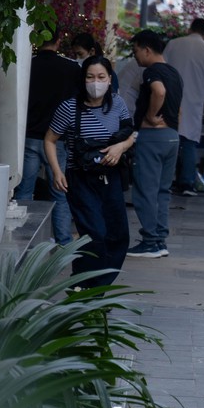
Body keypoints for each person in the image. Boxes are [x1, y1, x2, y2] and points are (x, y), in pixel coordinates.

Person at [43, 56, 138, 286]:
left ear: (109, 79)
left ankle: (95, 290)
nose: (96, 82)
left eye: (101, 77)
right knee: (94, 234)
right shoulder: (69, 107)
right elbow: (50, 139)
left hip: (111, 179)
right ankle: (82, 285)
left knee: (118, 237)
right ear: (82, 79)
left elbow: (131, 134)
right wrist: (57, 171)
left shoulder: (118, 104)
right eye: (90, 77)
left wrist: (120, 147)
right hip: (81, 179)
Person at [124, 30, 182, 260]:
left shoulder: (152, 71)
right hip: (171, 136)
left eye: (136, 50)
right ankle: (160, 239)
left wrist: (150, 115)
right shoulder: (174, 73)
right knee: (162, 191)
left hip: (152, 137)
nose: (135, 56)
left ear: (147, 49)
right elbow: (178, 108)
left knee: (145, 191)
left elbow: (159, 91)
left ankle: (150, 241)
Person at [22, 29, 81, 246]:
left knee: (25, 190)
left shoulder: (28, 64)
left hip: (29, 136)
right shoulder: (72, 68)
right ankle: (63, 241)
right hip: (58, 139)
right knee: (60, 192)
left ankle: (25, 240)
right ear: (59, 40)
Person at [167, 17, 204, 196]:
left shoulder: (173, 44)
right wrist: (202, 91)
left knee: (169, 139)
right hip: (194, 100)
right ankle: (187, 183)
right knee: (189, 142)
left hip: (170, 98)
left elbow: (162, 68)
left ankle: (166, 180)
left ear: (190, 29)